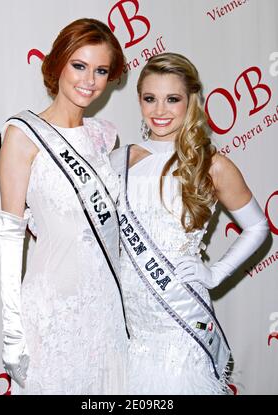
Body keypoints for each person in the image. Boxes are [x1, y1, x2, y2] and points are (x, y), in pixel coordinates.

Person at [110, 52, 269, 394]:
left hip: (180, 315)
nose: (160, 111)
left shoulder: (212, 165)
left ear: (191, 101)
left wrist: (215, 273)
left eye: (172, 99)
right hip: (129, 319)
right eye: (150, 99)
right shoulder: (118, 161)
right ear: (138, 100)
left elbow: (258, 228)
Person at [0, 18, 129, 395]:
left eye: (101, 70)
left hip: (106, 313)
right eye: (79, 65)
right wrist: (11, 332)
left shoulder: (106, 136)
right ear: (57, 64)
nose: (89, 80)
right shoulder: (23, 135)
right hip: (53, 313)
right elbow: (10, 238)